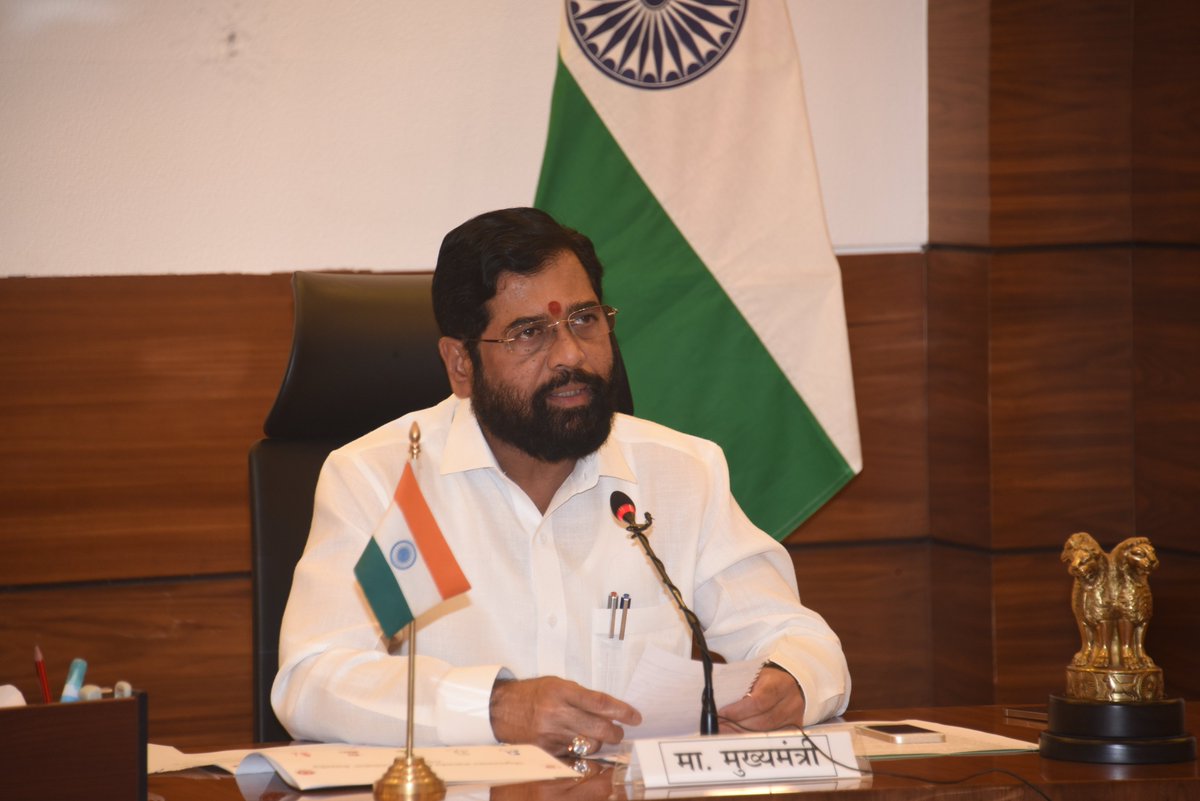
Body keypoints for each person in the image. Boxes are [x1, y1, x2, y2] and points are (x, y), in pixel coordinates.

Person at [272, 207, 850, 755]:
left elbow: (798, 638)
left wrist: (792, 681)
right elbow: (314, 678)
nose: (571, 355)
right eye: (529, 332)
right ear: (461, 365)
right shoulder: (389, 484)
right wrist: (496, 708)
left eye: (584, 320)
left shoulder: (681, 473)